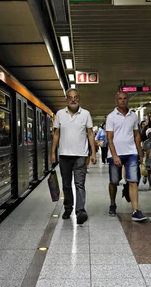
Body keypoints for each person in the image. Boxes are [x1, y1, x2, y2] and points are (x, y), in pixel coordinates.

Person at [51, 88, 97, 225]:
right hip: (64, 155)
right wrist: (52, 152)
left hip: (80, 155)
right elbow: (56, 134)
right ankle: (68, 208)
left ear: (79, 99)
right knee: (66, 185)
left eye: (75, 97)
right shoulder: (60, 114)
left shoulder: (86, 114)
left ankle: (80, 211)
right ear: (66, 99)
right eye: (70, 97)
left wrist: (93, 153)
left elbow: (90, 134)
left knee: (79, 184)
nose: (73, 99)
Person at [106, 91, 147, 222]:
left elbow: (136, 135)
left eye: (124, 98)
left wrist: (140, 153)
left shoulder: (133, 116)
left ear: (127, 100)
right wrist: (114, 155)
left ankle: (135, 210)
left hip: (131, 153)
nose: (122, 100)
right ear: (116, 100)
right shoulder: (111, 117)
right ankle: (112, 203)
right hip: (115, 154)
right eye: (120, 99)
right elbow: (109, 138)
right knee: (114, 181)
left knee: (133, 181)